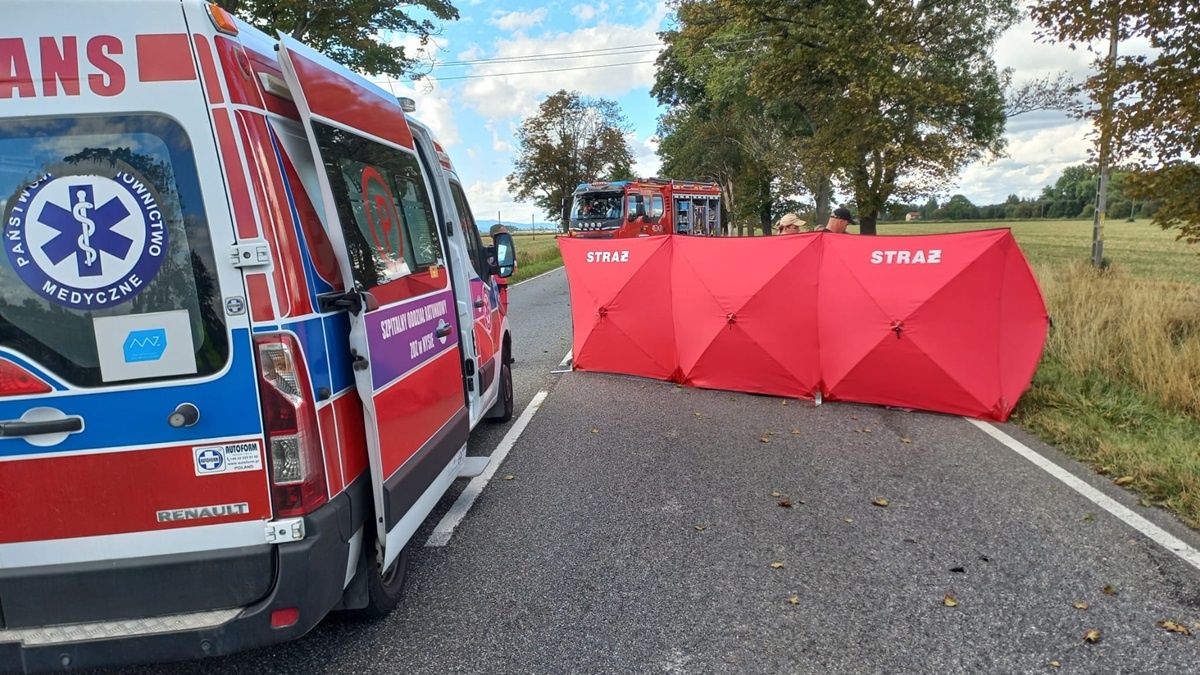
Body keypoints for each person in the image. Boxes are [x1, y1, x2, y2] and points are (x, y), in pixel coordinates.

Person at [489, 223, 513, 312]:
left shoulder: (506, 249)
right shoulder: (490, 251)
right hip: (494, 285)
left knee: (502, 311)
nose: (505, 235)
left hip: (502, 283)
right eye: (503, 233)